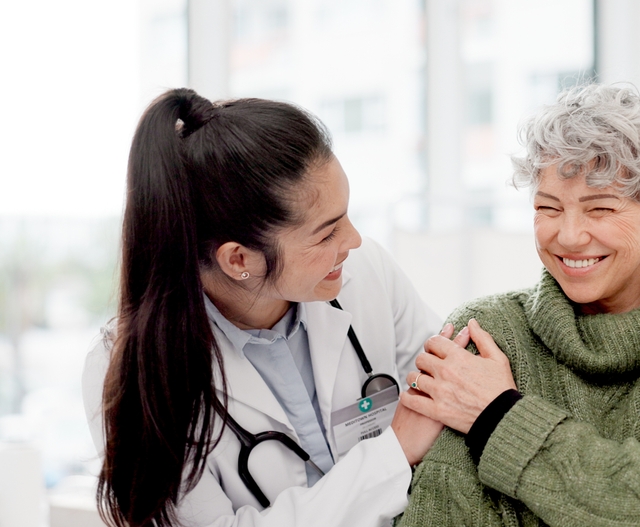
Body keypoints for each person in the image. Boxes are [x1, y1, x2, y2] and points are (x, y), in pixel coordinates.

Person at [395, 84, 640, 526]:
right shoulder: (489, 332)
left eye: (599, 209)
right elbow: (444, 514)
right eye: (549, 207)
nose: (569, 235)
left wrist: (499, 417)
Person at [81, 88, 454, 527]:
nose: (352, 241)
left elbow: (446, 403)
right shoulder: (131, 371)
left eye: (347, 216)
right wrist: (391, 454)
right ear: (239, 259)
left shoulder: (365, 273)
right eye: (326, 233)